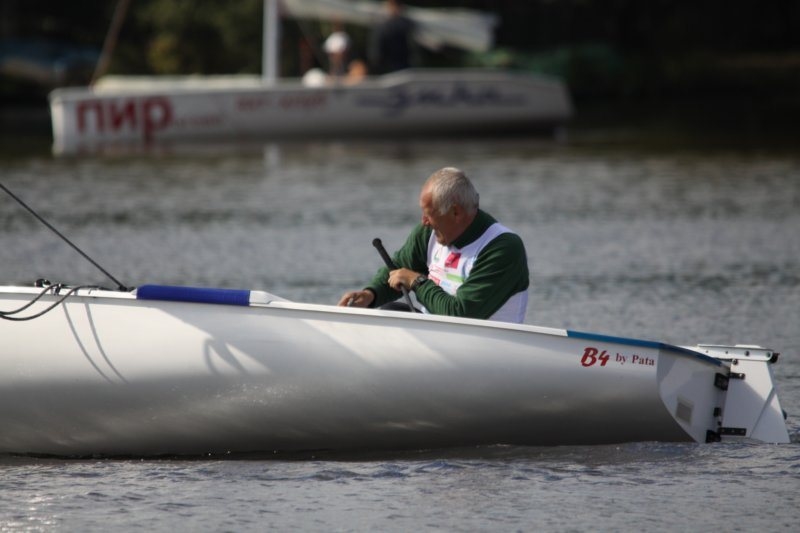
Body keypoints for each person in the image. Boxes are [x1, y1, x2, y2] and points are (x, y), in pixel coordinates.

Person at [338, 167, 529, 323]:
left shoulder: (503, 248)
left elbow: (461, 315)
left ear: (456, 212)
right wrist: (371, 294)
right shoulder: (428, 233)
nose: (424, 222)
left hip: (484, 343)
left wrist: (417, 281)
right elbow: (397, 269)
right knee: (390, 311)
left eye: (429, 214)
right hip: (440, 337)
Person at [368, 0, 414, 74]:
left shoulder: (404, 24)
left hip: (402, 65)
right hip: (388, 66)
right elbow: (376, 52)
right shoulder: (382, 26)